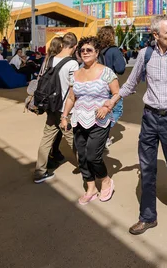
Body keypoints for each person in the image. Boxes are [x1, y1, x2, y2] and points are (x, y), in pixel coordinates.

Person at [107, 15, 167, 235]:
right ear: (155, 35)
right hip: (149, 119)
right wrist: (113, 99)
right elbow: (131, 84)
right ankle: (148, 217)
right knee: (147, 169)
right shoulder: (145, 55)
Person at [60, 36, 119, 205]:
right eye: (82, 50)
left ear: (96, 52)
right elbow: (71, 98)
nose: (85, 53)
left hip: (99, 120)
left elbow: (116, 93)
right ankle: (91, 188)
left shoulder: (106, 72)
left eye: (89, 50)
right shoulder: (76, 74)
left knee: (93, 155)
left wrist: (107, 107)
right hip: (79, 119)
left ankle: (105, 180)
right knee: (82, 156)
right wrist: (64, 116)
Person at [33, 33, 79, 184]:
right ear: (75, 46)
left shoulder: (50, 59)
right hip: (66, 108)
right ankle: (87, 169)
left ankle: (40, 171)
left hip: (51, 105)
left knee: (46, 138)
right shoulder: (72, 64)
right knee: (74, 139)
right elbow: (74, 89)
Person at [96, 26, 126, 148]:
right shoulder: (114, 51)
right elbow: (121, 69)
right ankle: (102, 132)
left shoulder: (96, 50)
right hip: (110, 86)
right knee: (117, 109)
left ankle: (99, 131)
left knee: (101, 109)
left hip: (97, 85)